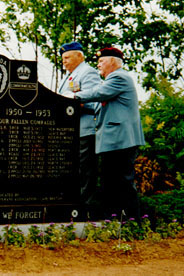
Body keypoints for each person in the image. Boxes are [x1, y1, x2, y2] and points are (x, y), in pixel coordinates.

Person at [72, 47, 145, 220]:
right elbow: (97, 107)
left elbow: (97, 93)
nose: (99, 66)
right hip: (113, 141)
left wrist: (74, 97)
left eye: (101, 62)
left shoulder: (119, 77)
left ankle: (131, 222)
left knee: (123, 182)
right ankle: (115, 219)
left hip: (121, 140)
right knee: (110, 183)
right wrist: (81, 105)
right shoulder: (111, 84)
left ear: (112, 61)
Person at [58, 42, 101, 219]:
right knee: (73, 173)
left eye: (67, 57)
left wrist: (71, 102)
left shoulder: (88, 72)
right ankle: (73, 209)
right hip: (70, 133)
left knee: (85, 173)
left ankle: (86, 211)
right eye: (63, 59)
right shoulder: (68, 76)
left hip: (85, 131)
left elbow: (95, 99)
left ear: (79, 56)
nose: (64, 62)